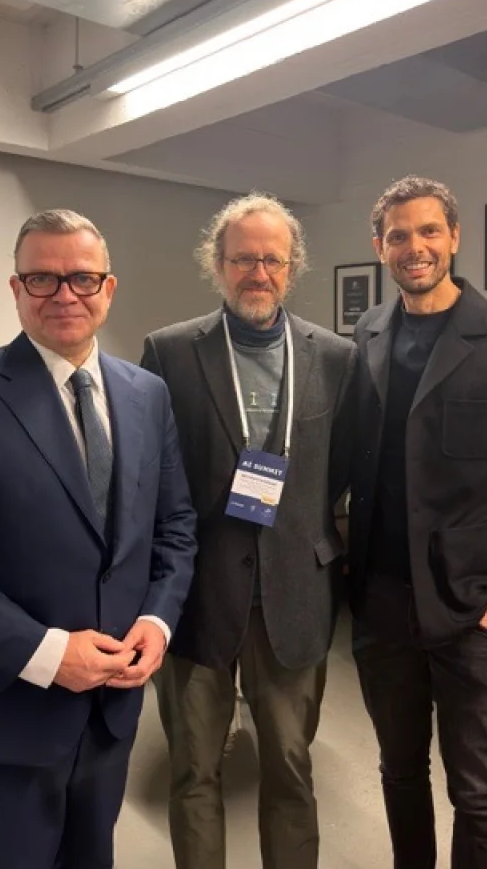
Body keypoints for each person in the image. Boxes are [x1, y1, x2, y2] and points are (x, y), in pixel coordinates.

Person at [0, 209, 197, 869]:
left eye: (82, 279)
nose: (64, 295)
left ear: (108, 289)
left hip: (112, 713)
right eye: (43, 278)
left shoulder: (147, 395)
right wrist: (48, 654)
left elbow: (173, 527)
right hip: (4, 721)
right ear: (16, 288)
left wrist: (157, 620)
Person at [348, 176, 487, 869]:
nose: (414, 248)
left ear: (455, 237)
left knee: (475, 787)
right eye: (398, 236)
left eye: (428, 232)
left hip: (474, 609)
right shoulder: (369, 333)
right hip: (383, 606)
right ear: (379, 247)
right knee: (398, 769)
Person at [141, 193, 358, 869]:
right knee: (194, 771)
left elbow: (341, 469)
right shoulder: (171, 352)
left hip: (296, 595)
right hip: (198, 597)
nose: (256, 272)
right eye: (242, 259)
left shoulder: (336, 358)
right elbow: (151, 474)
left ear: (291, 267)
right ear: (218, 264)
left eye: (271, 259)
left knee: (291, 770)